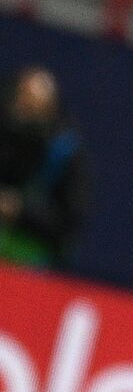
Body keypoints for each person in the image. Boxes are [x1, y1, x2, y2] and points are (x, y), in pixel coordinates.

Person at [0, 66, 85, 269]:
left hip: (32, 264)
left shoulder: (66, 153)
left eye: (31, 106)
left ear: (49, 109)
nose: (22, 108)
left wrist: (20, 211)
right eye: (21, 98)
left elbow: (68, 222)